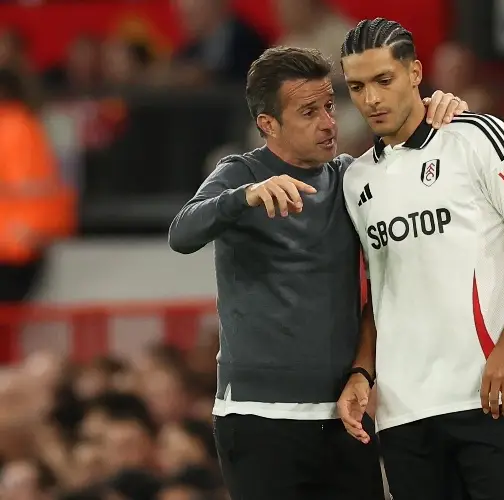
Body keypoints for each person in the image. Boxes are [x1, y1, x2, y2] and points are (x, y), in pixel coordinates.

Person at [168, 45, 467, 500]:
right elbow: (182, 234)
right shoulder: (240, 174)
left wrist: (445, 115)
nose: (329, 122)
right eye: (309, 111)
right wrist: (245, 196)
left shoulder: (351, 177)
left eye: (330, 105)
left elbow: (419, 166)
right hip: (258, 418)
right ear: (268, 125)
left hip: (344, 417)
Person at [337, 18, 504, 500]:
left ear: (416, 72)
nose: (371, 99)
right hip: (403, 415)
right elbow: (381, 293)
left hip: (490, 396)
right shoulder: (356, 181)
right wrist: (363, 371)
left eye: (384, 80)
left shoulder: (477, 137)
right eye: (357, 86)